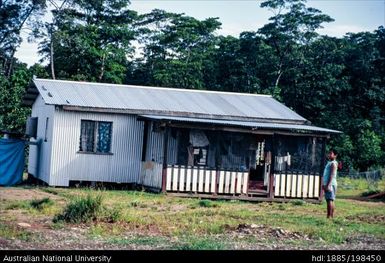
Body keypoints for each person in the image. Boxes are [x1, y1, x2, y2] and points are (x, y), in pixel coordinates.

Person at [322, 149, 338, 219]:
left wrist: (328, 185)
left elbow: (332, 175)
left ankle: (329, 216)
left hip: (330, 184)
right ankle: (330, 216)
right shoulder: (329, 162)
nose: (329, 155)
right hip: (328, 184)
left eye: (331, 153)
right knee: (330, 200)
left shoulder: (333, 163)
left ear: (335, 155)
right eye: (329, 153)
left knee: (329, 200)